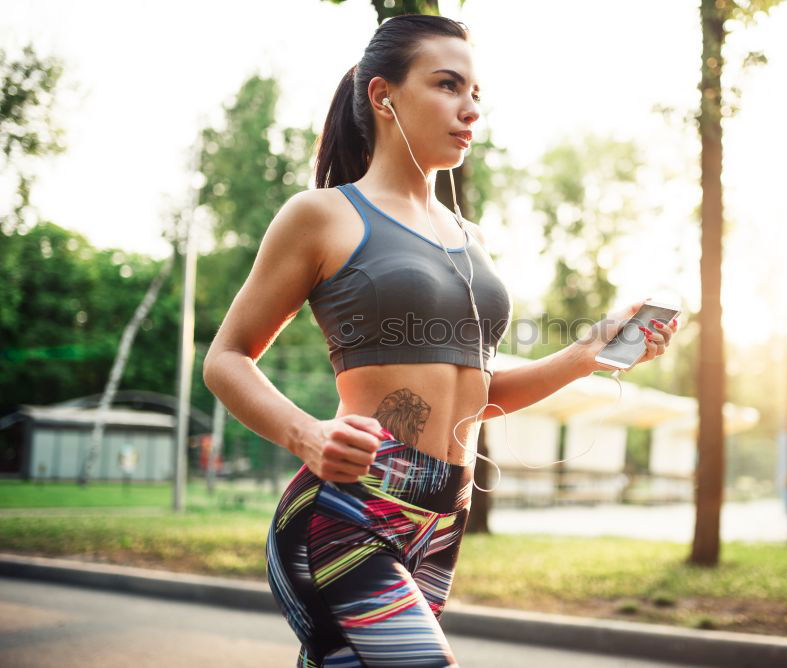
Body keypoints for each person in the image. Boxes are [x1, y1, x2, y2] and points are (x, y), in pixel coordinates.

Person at [203, 14, 678, 667]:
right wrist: (304, 434)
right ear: (383, 94)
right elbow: (226, 359)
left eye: (476, 93)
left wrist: (582, 355)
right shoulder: (322, 215)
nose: (470, 109)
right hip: (349, 508)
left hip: (440, 518)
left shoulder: (470, 238)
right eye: (448, 85)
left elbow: (476, 397)